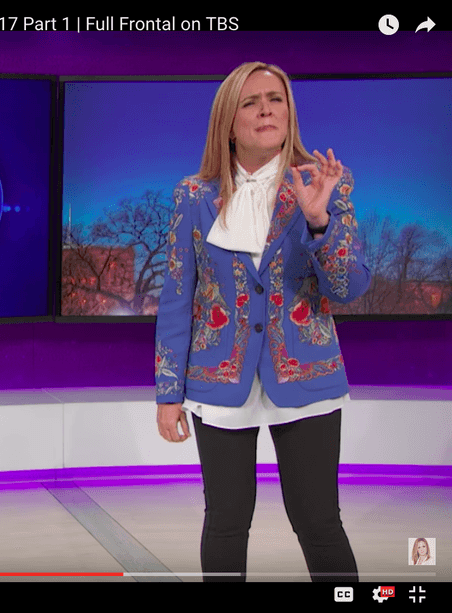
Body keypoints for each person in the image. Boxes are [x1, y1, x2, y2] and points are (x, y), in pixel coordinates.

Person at [154, 61, 370, 583]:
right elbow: (178, 296)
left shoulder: (325, 184)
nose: (266, 110)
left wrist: (319, 221)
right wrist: (168, 392)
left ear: (289, 113)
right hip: (217, 378)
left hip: (306, 372)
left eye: (276, 99)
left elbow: (350, 287)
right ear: (228, 121)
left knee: (319, 522)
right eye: (250, 102)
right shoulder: (193, 195)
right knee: (225, 523)